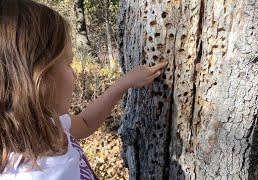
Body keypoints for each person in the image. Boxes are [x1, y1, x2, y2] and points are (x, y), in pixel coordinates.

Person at [0, 0, 168, 179]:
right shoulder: (43, 175)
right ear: (38, 77)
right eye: (68, 63)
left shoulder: (46, 124)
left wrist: (125, 82)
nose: (75, 74)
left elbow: (86, 122)